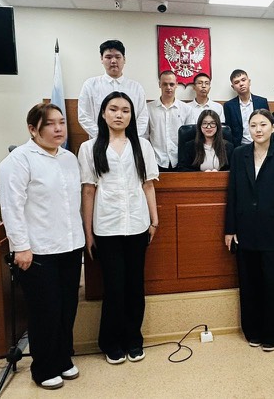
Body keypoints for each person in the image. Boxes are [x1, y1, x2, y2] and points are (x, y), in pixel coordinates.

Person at [0, 103, 84, 390]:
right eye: (50, 124)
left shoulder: (69, 158)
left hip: (70, 245)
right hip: (37, 250)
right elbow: (12, 207)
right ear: (33, 129)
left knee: (67, 308)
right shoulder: (18, 160)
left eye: (61, 122)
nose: (59, 128)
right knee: (45, 310)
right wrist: (21, 246)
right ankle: (43, 367)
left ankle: (62, 358)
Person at [78, 92, 159, 365]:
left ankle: (133, 340)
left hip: (137, 224)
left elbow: (148, 185)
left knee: (135, 286)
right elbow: (88, 191)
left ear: (131, 116)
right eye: (113, 109)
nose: (119, 115)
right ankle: (110, 342)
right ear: (103, 114)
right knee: (114, 288)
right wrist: (88, 233)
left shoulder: (142, 146)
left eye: (125, 110)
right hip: (107, 227)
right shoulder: (89, 148)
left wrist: (154, 220)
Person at [224, 110, 274, 352]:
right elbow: (232, 192)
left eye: (263, 124)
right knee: (248, 282)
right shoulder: (239, 154)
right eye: (253, 125)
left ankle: (272, 335)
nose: (258, 129)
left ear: (273, 127)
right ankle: (252, 331)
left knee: (270, 283)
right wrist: (230, 228)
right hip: (244, 228)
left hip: (273, 230)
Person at [78, 40, 149, 138]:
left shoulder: (136, 88)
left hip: (130, 142)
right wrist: (104, 137)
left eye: (117, 57)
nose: (113, 61)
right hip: (99, 141)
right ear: (101, 59)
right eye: (108, 57)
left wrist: (130, 138)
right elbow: (84, 116)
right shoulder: (90, 85)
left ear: (124, 59)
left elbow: (143, 117)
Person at [147, 70, 192, 171]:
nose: (168, 87)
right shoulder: (148, 108)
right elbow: (145, 136)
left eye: (171, 84)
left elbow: (189, 139)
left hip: (180, 161)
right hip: (155, 160)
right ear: (159, 84)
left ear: (176, 85)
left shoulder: (186, 109)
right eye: (165, 84)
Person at [223, 69, 269, 147]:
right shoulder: (229, 106)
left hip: (261, 144)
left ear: (249, 82)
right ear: (233, 87)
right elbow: (229, 130)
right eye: (237, 82)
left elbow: (267, 124)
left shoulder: (262, 102)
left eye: (243, 80)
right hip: (239, 147)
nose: (241, 84)